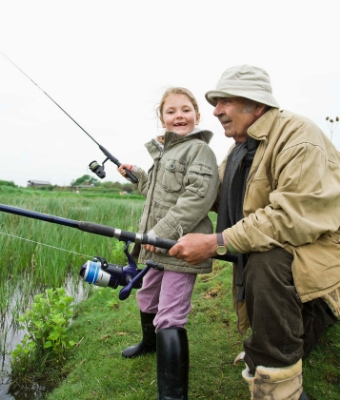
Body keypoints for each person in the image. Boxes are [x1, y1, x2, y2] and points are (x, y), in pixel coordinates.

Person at [169, 65, 340, 400]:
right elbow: (211, 195)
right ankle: (274, 346)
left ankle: (282, 389)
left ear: (255, 104)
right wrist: (167, 169)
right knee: (256, 259)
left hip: (318, 252)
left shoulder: (298, 136)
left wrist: (217, 241)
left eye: (224, 101)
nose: (216, 110)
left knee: (265, 261)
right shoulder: (240, 149)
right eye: (215, 103)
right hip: (285, 250)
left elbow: (291, 217)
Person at [117, 87, 219, 400]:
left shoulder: (200, 151)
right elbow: (156, 193)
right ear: (162, 118)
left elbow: (196, 198)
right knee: (146, 297)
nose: (179, 116)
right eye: (171, 111)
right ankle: (150, 345)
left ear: (197, 116)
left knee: (170, 316)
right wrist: (136, 175)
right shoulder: (163, 153)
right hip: (155, 244)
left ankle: (173, 395)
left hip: (179, 246)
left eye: (186, 110)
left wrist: (162, 233)